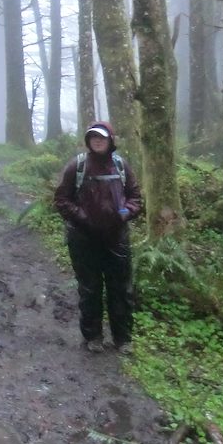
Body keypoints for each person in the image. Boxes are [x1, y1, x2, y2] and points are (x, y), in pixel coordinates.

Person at [53, 121, 143, 354]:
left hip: (116, 238)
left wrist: (127, 212)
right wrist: (82, 217)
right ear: (88, 141)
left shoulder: (121, 166)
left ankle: (123, 339)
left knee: (121, 290)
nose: (98, 141)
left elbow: (135, 197)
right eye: (93, 137)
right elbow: (62, 199)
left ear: (111, 140)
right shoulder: (78, 166)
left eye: (102, 137)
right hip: (84, 239)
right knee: (90, 289)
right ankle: (93, 337)